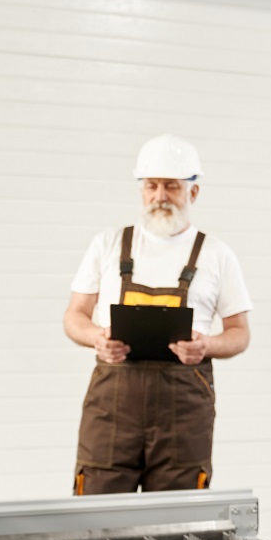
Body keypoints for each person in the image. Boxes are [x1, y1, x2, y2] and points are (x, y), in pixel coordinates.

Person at [63, 134, 252, 495]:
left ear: (193, 192)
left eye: (172, 186)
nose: (160, 196)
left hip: (183, 415)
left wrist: (208, 345)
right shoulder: (108, 244)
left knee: (176, 522)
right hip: (112, 410)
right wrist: (96, 338)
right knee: (96, 516)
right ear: (141, 189)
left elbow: (240, 332)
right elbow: (74, 316)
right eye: (151, 186)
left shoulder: (216, 254)